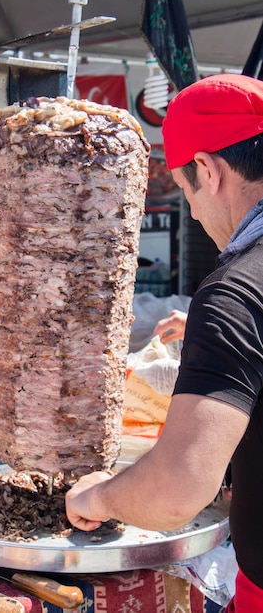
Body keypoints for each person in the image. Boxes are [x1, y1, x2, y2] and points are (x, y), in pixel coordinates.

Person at [65, 73, 263, 612]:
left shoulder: (238, 294)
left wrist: (99, 494)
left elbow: (179, 487)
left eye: (184, 189)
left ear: (208, 170)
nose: (194, 213)